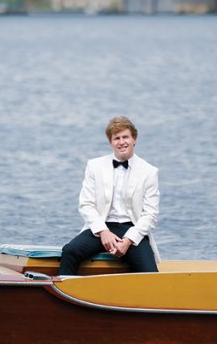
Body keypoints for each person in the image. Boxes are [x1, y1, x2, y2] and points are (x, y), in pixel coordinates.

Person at [58, 116, 160, 276]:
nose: (121, 142)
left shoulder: (149, 171)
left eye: (125, 137)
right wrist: (103, 232)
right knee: (70, 251)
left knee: (149, 273)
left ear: (134, 139)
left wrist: (128, 241)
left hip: (133, 230)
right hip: (101, 227)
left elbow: (150, 215)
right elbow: (86, 205)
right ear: (111, 142)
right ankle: (66, 293)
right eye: (116, 138)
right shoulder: (94, 166)